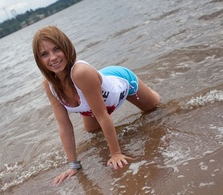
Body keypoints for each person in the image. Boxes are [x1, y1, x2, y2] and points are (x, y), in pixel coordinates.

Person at [32, 26, 160, 185]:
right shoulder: (50, 86)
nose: (52, 57)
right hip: (93, 95)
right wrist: (73, 165)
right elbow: (64, 126)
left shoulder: (81, 72)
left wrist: (116, 154)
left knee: (154, 108)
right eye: (44, 54)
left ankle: (151, 92)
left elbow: (102, 115)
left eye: (57, 49)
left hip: (121, 83)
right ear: (39, 60)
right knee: (92, 131)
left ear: (66, 47)